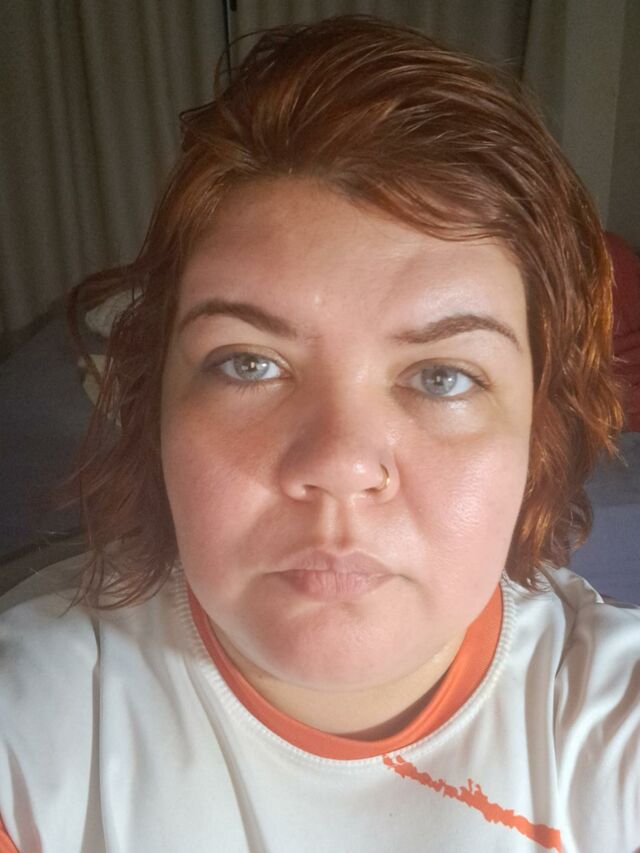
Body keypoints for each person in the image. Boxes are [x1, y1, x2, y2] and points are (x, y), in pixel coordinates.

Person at [0, 14, 638, 853]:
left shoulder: (614, 730)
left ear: (537, 438)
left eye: (442, 376)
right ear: (154, 410)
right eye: (248, 363)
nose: (339, 464)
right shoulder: (32, 726)